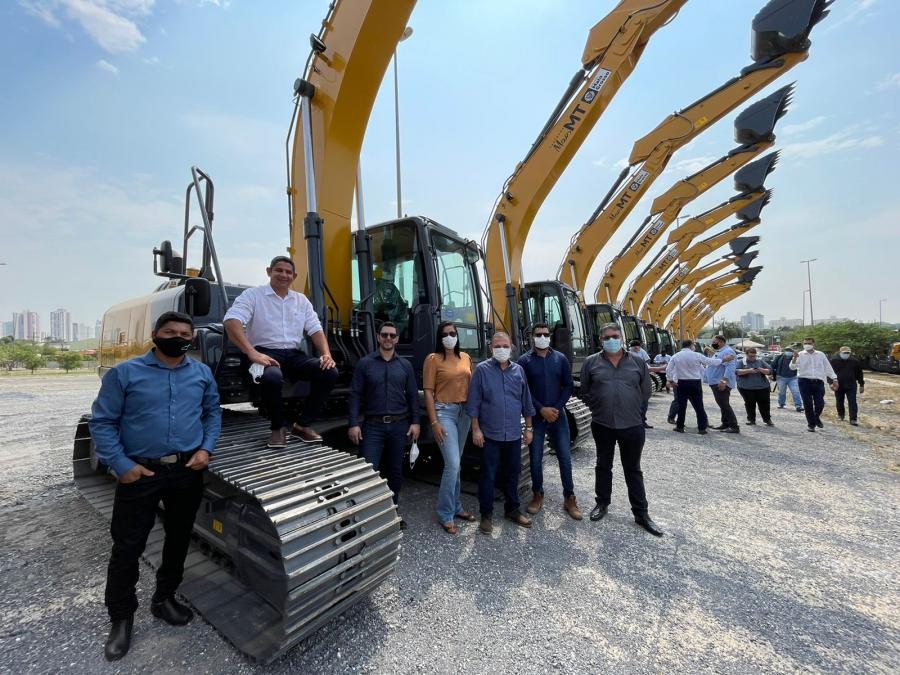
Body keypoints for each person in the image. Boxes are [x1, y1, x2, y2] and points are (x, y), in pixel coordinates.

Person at [89, 311, 221, 661]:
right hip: (140, 474)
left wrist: (207, 448)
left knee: (178, 540)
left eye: (184, 333)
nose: (177, 337)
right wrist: (121, 465)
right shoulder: (125, 373)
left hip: (185, 473)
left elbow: (213, 413)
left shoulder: (201, 373)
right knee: (127, 547)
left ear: (192, 338)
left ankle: (164, 599)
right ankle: (121, 618)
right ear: (154, 334)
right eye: (170, 331)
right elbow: (102, 422)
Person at [223, 256, 338, 448]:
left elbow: (315, 329)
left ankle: (302, 425)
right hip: (264, 352)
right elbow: (231, 321)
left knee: (329, 372)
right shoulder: (253, 295)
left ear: (294, 276)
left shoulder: (301, 300)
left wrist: (326, 354)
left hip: (293, 355)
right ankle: (278, 428)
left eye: (288, 272)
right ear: (269, 271)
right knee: (272, 378)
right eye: (279, 270)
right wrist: (252, 353)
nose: (283, 275)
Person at [580, 322, 661, 536]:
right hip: (602, 424)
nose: (611, 340)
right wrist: (598, 406)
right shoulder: (591, 363)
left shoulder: (637, 362)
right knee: (603, 465)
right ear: (601, 340)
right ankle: (602, 503)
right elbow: (586, 390)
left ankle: (641, 513)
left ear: (622, 338)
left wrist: (631, 407)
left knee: (633, 469)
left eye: (614, 336)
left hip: (632, 425)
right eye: (606, 337)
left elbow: (645, 392)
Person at [348, 322, 420, 528]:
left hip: (399, 427)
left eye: (392, 335)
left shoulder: (405, 366)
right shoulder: (365, 364)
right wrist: (353, 424)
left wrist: (416, 422)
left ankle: (392, 514)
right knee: (369, 472)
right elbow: (355, 395)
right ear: (378, 337)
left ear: (397, 339)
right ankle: (368, 518)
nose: (388, 338)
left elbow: (413, 396)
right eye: (384, 335)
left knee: (395, 473)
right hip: (373, 428)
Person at [467, 332, 535, 534]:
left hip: (513, 434)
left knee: (513, 473)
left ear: (511, 347)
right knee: (488, 475)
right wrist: (475, 429)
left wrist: (529, 428)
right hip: (490, 435)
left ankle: (512, 510)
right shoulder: (481, 370)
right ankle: (486, 515)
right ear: (491, 348)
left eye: (505, 346)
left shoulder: (519, 371)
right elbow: (474, 402)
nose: (502, 349)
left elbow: (526, 401)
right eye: (498, 346)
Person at [518, 323, 581, 521]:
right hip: (536, 416)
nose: (543, 337)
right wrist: (541, 409)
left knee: (564, 456)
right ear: (532, 337)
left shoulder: (560, 359)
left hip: (558, 415)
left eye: (546, 334)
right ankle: (537, 494)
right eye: (539, 334)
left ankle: (569, 498)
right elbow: (524, 390)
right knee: (536, 457)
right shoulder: (524, 361)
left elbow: (568, 385)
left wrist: (555, 408)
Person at [424, 321, 476, 534]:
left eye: (452, 333)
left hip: (463, 414)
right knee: (452, 464)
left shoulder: (466, 357)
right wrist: (434, 422)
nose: (449, 336)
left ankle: (457, 507)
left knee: (456, 464)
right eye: (445, 334)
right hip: (444, 412)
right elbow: (428, 391)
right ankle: (446, 513)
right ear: (440, 337)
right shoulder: (433, 359)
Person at [666, 339, 732, 434]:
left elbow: (669, 369)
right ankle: (702, 428)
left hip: (682, 382)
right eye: (693, 344)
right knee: (699, 406)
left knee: (681, 406)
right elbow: (710, 362)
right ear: (691, 345)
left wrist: (671, 380)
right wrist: (723, 360)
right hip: (695, 382)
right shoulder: (697, 355)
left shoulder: (676, 356)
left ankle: (679, 427)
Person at [790, 336, 839, 432]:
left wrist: (834, 379)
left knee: (820, 403)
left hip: (818, 382)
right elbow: (792, 367)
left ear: (813, 344)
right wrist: (794, 358)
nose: (807, 345)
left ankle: (816, 417)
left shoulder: (820, 354)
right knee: (807, 403)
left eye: (809, 343)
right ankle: (811, 424)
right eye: (805, 343)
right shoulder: (799, 354)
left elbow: (828, 367)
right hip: (804, 381)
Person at [705, 335, 740, 433]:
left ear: (720, 341)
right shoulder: (720, 352)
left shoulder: (728, 351)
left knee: (724, 404)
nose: (713, 343)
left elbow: (730, 367)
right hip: (716, 381)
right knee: (722, 404)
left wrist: (723, 381)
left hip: (720, 382)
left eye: (714, 341)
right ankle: (725, 423)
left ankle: (734, 426)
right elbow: (718, 362)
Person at [736, 347, 773, 426]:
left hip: (762, 387)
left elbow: (770, 370)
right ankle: (751, 420)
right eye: (750, 356)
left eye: (754, 356)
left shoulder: (760, 361)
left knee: (764, 404)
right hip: (746, 387)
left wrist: (761, 369)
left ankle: (767, 419)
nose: (752, 358)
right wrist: (749, 370)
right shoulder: (741, 362)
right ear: (746, 355)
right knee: (750, 403)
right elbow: (737, 372)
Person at [830, 346, 865, 426]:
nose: (846, 354)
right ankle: (841, 415)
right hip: (838, 384)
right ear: (840, 352)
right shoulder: (834, 360)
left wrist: (861, 384)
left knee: (852, 402)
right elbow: (829, 372)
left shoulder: (855, 361)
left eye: (848, 353)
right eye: (844, 353)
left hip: (851, 385)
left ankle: (853, 419)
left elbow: (860, 373)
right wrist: (831, 383)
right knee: (839, 401)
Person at [628, 339, 654, 430]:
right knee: (641, 403)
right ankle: (639, 421)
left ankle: (641, 420)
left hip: (641, 381)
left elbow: (647, 362)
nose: (637, 348)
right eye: (635, 347)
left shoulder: (641, 352)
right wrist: (662, 368)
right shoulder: (629, 355)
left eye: (638, 346)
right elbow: (647, 367)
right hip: (635, 383)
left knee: (643, 403)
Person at [771, 346, 804, 412]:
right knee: (782, 392)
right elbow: (772, 365)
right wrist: (771, 374)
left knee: (796, 391)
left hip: (793, 378)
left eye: (790, 350)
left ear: (792, 352)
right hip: (781, 377)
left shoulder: (795, 358)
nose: (788, 352)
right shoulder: (779, 357)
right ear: (784, 351)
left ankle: (798, 406)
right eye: (787, 350)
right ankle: (781, 404)